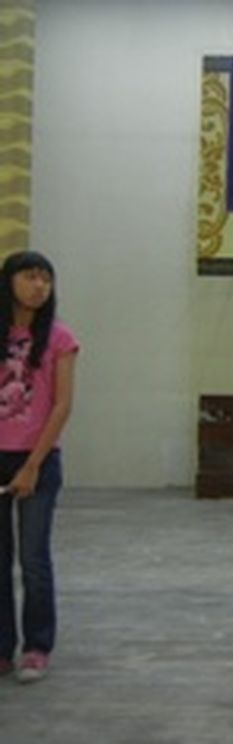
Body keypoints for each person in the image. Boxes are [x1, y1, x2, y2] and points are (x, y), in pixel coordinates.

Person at [0, 251, 79, 684]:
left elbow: (62, 405)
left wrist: (32, 464)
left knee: (33, 557)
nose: (38, 286)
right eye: (30, 277)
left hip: (39, 459)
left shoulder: (59, 337)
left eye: (46, 279)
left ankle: (36, 646)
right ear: (9, 282)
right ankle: (1, 648)